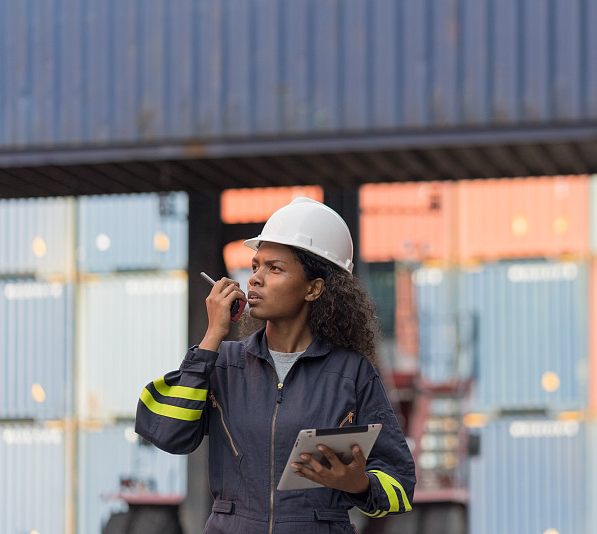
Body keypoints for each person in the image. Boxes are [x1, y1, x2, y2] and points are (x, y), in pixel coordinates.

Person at [136, 197, 416, 534]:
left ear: (313, 289)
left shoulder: (351, 373)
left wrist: (360, 484)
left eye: (275, 268)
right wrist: (212, 337)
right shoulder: (224, 364)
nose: (255, 279)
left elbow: (401, 485)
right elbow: (168, 434)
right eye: (255, 266)